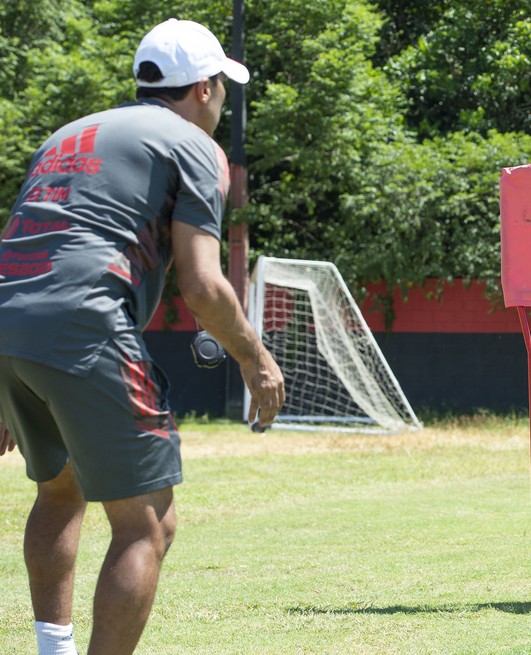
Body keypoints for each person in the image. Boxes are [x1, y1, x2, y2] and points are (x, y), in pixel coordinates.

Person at [0, 19, 285, 655]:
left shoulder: (68, 135)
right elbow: (203, 285)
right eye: (223, 89)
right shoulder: (195, 146)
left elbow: (27, 239)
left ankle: (53, 650)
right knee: (147, 525)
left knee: (60, 489)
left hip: (9, 319)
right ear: (205, 88)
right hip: (86, 323)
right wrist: (255, 358)